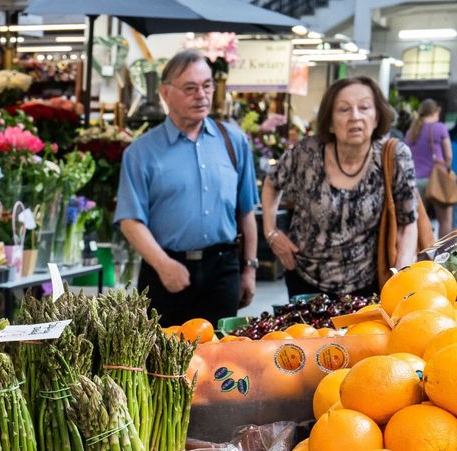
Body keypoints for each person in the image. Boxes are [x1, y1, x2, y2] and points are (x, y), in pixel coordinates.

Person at [115, 50, 259, 327]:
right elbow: (130, 220)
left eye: (207, 86)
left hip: (222, 269)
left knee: (220, 359)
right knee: (162, 360)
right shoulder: (141, 152)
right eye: (190, 88)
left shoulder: (234, 141)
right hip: (165, 271)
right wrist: (163, 265)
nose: (201, 95)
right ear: (165, 93)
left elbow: (246, 211)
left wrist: (249, 269)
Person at [262, 76, 418, 297]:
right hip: (304, 280)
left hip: (367, 284)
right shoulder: (306, 153)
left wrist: (401, 274)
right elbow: (271, 182)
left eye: (364, 107)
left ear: (376, 118)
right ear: (329, 122)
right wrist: (271, 231)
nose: (355, 116)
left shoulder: (394, 157)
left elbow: (407, 223)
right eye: (344, 109)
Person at [408, 99, 454, 237]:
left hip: (415, 181)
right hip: (435, 180)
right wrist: (447, 168)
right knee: (445, 221)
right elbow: (449, 155)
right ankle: (442, 256)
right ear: (435, 111)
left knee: (418, 222)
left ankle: (421, 254)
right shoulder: (439, 127)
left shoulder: (412, 130)